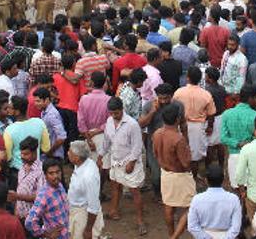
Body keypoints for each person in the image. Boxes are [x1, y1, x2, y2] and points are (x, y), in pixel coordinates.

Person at [101, 96, 146, 234]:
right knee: (115, 186)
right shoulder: (109, 121)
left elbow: (137, 146)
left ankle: (140, 221)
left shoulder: (132, 124)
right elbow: (107, 140)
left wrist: (131, 162)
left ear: (122, 109)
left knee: (134, 191)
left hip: (129, 162)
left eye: (117, 113)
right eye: (112, 113)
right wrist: (101, 155)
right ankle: (114, 211)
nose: (114, 116)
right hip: (115, 160)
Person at [153, 102, 195, 239]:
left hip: (165, 173)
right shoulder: (178, 138)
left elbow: (155, 153)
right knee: (191, 206)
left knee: (169, 206)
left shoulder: (157, 133)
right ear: (177, 119)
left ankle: (171, 234)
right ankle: (174, 237)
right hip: (180, 175)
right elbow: (185, 163)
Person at [172, 66, 216, 180]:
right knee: (195, 157)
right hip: (198, 127)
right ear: (200, 78)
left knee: (180, 153)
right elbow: (211, 114)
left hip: (181, 126)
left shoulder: (178, 92)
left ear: (187, 78)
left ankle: (182, 178)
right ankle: (193, 179)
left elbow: (173, 109)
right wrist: (210, 127)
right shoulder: (206, 94)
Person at [187, 163, 242, 239]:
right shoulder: (233, 199)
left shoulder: (197, 199)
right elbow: (236, 227)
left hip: (204, 234)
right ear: (223, 180)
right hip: (226, 234)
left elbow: (192, 226)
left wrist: (206, 237)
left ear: (206, 181)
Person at [220, 84, 256, 189]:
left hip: (234, 156)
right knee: (249, 189)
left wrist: (237, 143)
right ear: (250, 98)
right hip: (251, 156)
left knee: (236, 187)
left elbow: (223, 138)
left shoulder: (227, 114)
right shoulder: (255, 115)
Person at [25, 158, 70, 239]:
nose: (55, 176)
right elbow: (29, 222)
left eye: (57, 172)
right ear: (45, 175)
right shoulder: (44, 195)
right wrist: (47, 235)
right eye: (51, 173)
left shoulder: (60, 186)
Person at [67, 140, 103, 239]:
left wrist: (88, 229)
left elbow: (94, 206)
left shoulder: (88, 176)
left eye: (70, 152)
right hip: (76, 211)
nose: (67, 153)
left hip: (83, 216)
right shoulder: (82, 164)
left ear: (77, 157)